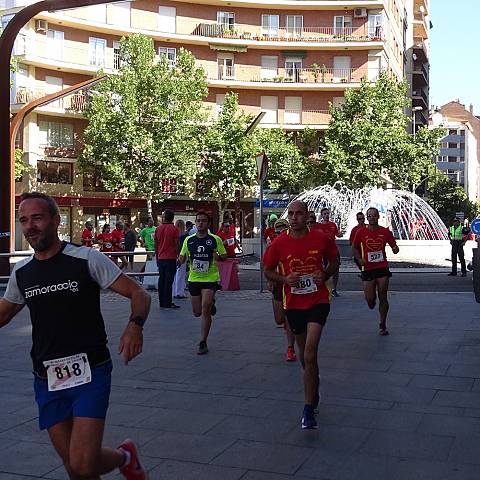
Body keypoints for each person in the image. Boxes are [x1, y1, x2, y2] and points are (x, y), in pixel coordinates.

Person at [0, 192, 151, 479]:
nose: (29, 226)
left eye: (37, 218)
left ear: (56, 221)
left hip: (90, 372)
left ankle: (124, 456)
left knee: (82, 464)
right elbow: (4, 314)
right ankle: (125, 456)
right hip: (46, 377)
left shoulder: (85, 259)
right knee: (75, 466)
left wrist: (135, 325)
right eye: (23, 220)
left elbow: (138, 293)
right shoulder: (22, 273)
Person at [263, 200, 339, 429]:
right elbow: (267, 270)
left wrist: (324, 274)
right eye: (292, 214)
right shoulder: (278, 243)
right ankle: (313, 382)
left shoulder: (321, 238)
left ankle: (307, 409)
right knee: (307, 358)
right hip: (293, 304)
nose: (295, 217)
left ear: (307, 216)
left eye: (299, 213)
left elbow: (335, 260)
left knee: (309, 352)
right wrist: (284, 279)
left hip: (318, 301)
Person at [178, 211, 227, 355]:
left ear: (208, 223)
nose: (200, 223)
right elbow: (182, 256)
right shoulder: (189, 240)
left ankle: (203, 341)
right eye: (198, 221)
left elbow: (224, 256)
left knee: (205, 309)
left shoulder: (215, 239)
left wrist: (217, 256)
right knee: (197, 312)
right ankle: (211, 304)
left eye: (203, 221)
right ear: (195, 222)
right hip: (194, 279)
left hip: (210, 278)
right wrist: (179, 261)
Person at [352, 207, 399, 336]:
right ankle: (372, 302)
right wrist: (359, 259)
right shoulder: (360, 232)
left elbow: (394, 246)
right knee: (370, 300)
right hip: (368, 269)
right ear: (367, 218)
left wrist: (395, 249)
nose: (372, 218)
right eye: (369, 216)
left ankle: (382, 323)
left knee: (383, 295)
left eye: (374, 215)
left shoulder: (385, 232)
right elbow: (354, 248)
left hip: (382, 267)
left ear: (378, 217)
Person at [266, 218, 297, 362]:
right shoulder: (273, 246)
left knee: (290, 317)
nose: (280, 232)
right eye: (277, 230)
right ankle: (286, 322)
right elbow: (268, 267)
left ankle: (290, 348)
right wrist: (270, 280)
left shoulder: (294, 242)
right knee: (279, 319)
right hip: (278, 284)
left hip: (292, 285)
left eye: (282, 229)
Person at [154, 209, 180, 309]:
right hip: (171, 258)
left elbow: (156, 245)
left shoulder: (158, 228)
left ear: (164, 217)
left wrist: (157, 257)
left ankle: (161, 302)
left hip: (161, 258)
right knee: (169, 282)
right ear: (172, 218)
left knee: (162, 280)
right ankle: (168, 302)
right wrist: (179, 257)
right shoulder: (174, 229)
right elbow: (177, 244)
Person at [317, 208, 343, 297]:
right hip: (323, 251)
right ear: (321, 215)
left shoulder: (333, 225)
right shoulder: (319, 226)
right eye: (324, 214)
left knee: (336, 270)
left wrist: (340, 234)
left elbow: (337, 234)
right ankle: (325, 288)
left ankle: (334, 289)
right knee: (324, 270)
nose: (326, 215)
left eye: (328, 213)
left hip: (334, 250)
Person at [173, 219, 188, 299]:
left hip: (173, 255)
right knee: (181, 274)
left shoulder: (174, 234)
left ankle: (174, 292)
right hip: (182, 255)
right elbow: (184, 247)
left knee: (175, 274)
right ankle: (179, 292)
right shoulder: (185, 235)